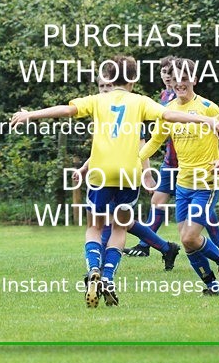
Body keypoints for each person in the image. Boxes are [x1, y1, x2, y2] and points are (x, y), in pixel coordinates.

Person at [10, 55, 219, 307]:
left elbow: (66, 110)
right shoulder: (141, 101)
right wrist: (206, 119)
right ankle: (108, 277)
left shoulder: (98, 99)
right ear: (133, 80)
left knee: (95, 227)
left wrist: (31, 114)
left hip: (101, 172)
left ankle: (94, 270)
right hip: (129, 174)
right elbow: (171, 116)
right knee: (120, 228)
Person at [139, 60, 219, 295]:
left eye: (185, 79)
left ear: (194, 80)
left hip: (206, 184)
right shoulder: (169, 111)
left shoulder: (208, 107)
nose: (180, 83)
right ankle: (212, 284)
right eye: (175, 80)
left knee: (191, 235)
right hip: (182, 184)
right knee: (187, 241)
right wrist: (134, 159)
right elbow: (155, 141)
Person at [73, 75, 181, 271]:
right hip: (109, 172)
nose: (105, 89)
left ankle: (99, 267)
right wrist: (85, 167)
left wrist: (147, 173)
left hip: (124, 174)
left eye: (108, 85)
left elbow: (140, 145)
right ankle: (166, 248)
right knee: (120, 221)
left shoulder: (128, 108)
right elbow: (104, 150)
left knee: (112, 222)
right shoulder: (103, 107)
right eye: (101, 86)